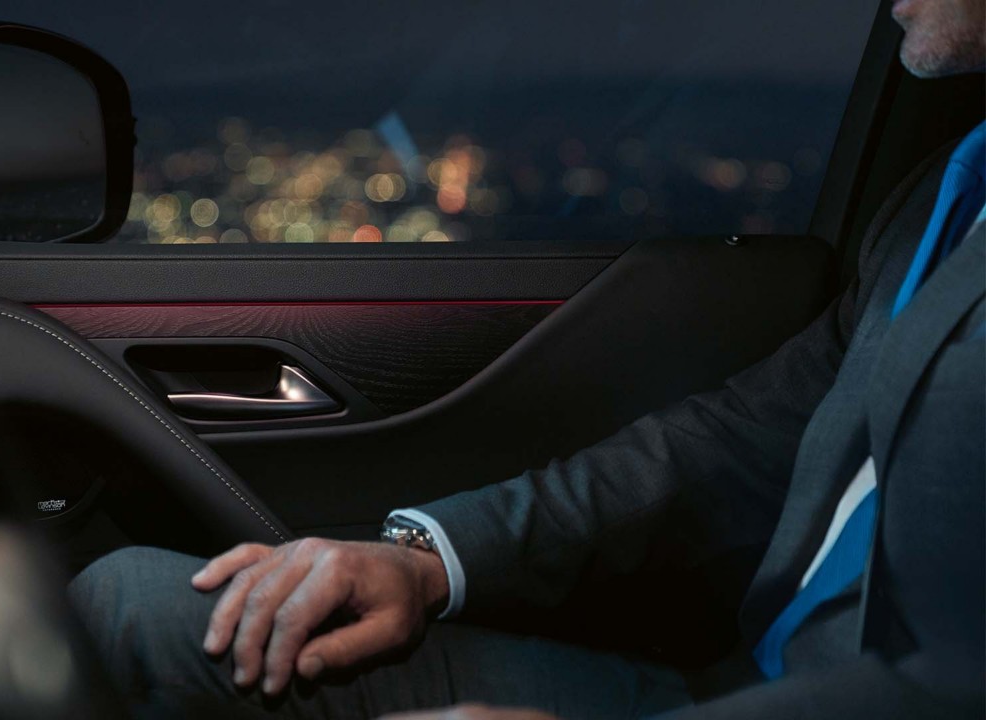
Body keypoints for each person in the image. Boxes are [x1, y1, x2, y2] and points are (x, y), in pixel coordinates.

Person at [68, 1, 986, 717]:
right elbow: (744, 438)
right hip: (745, 685)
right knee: (129, 609)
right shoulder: (945, 194)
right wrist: (426, 560)